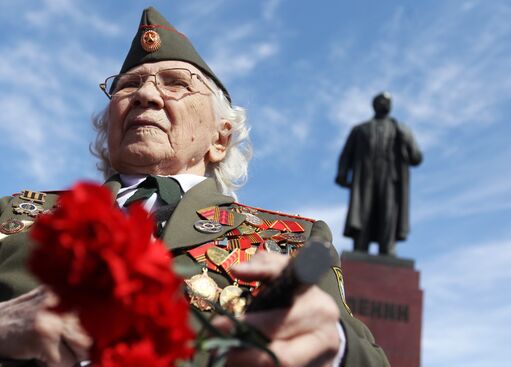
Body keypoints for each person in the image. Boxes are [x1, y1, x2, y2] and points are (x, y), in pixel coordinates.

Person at [0, 7, 389, 367]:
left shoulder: (291, 241)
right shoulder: (13, 214)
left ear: (220, 139)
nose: (146, 95)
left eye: (175, 84)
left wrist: (334, 346)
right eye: (129, 84)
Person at [336, 92, 423, 256]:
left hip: (390, 179)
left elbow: (416, 158)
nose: (385, 103)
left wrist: (405, 139)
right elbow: (346, 154)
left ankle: (388, 251)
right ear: (374, 104)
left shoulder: (401, 130)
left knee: (388, 214)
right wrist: (342, 174)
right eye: (381, 100)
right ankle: (360, 249)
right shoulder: (360, 129)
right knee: (363, 213)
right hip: (365, 179)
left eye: (388, 101)